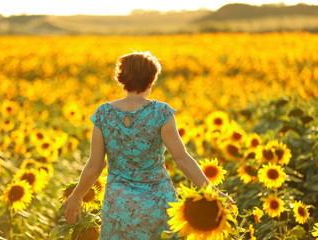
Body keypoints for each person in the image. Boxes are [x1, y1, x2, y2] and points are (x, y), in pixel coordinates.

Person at [62, 51, 235, 239]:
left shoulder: (104, 114)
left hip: (120, 206)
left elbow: (94, 166)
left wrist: (77, 195)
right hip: (158, 202)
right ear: (151, 79)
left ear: (121, 79)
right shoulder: (160, 112)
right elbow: (182, 159)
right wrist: (214, 192)